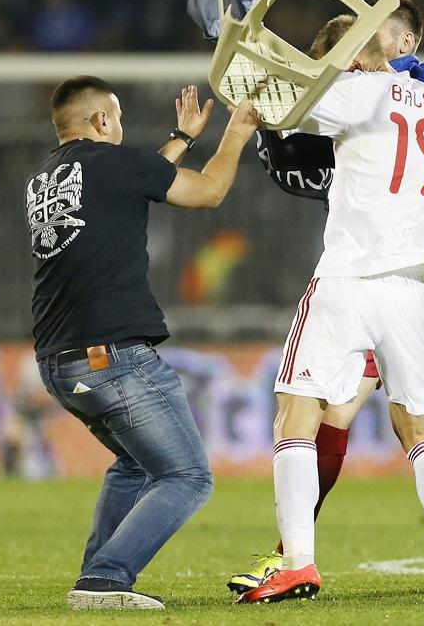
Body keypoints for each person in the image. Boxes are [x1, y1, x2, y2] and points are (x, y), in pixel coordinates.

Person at [229, 0, 424, 596]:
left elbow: (277, 104)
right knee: (421, 427)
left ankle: (298, 563)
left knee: (296, 415)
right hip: (413, 283)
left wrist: (248, 55)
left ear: (355, 55)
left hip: (349, 277)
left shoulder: (358, 92)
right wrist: (410, 188)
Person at [26, 76, 260, 610]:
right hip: (114, 357)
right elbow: (208, 192)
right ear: (104, 121)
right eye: (119, 117)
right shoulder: (116, 165)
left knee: (136, 465)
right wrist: (237, 133)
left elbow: (136, 179)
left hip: (60, 360)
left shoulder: (46, 176)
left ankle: (95, 577)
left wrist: (181, 137)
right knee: (186, 477)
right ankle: (106, 578)